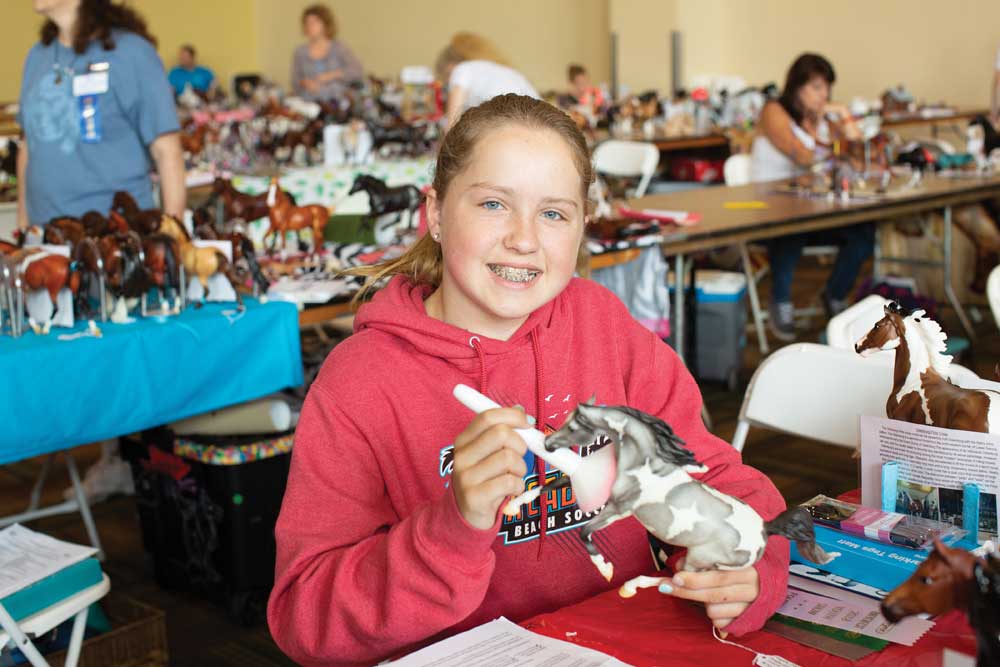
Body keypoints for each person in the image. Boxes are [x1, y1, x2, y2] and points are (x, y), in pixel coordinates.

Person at [267, 94, 789, 666]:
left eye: (553, 213)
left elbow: (716, 479)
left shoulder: (604, 326)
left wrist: (748, 569)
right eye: (494, 204)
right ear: (435, 214)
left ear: (582, 227)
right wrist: (450, 528)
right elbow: (304, 620)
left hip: (627, 645)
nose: (523, 238)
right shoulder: (360, 383)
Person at [17, 0, 185, 228]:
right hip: (45, 236)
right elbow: (28, 146)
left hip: (114, 240)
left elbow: (167, 151)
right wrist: (22, 226)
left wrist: (173, 236)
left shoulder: (131, 53)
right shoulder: (37, 57)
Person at [750, 53, 872, 341]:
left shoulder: (825, 120)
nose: (824, 95)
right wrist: (833, 142)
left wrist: (843, 116)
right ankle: (780, 299)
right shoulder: (774, 111)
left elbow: (858, 159)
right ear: (796, 87)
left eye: (827, 87)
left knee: (864, 230)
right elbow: (805, 157)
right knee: (794, 224)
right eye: (816, 87)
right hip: (770, 210)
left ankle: (834, 295)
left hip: (813, 208)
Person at [435, 32, 538, 128]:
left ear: (449, 66)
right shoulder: (507, 71)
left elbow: (452, 124)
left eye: (446, 77)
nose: (448, 84)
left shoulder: (461, 69)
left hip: (514, 126)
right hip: (541, 125)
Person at [290, 4, 363, 102]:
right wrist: (305, 83)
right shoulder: (300, 52)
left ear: (325, 24)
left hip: (338, 102)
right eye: (307, 23)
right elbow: (295, 81)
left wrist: (330, 76)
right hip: (310, 102)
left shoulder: (339, 48)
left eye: (314, 22)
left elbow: (356, 71)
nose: (310, 26)